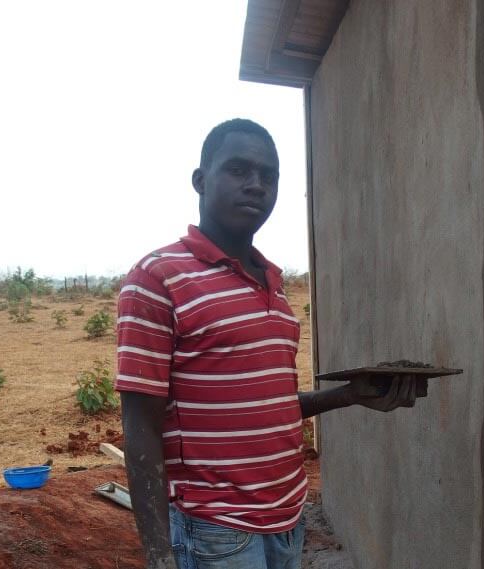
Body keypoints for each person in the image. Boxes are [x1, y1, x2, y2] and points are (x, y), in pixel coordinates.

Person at [116, 118, 427, 569]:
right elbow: (139, 422)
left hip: (287, 522)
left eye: (269, 176)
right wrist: (159, 555)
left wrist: (350, 396)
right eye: (239, 170)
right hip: (214, 531)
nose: (256, 185)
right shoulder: (158, 278)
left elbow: (268, 406)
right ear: (201, 181)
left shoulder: (276, 288)